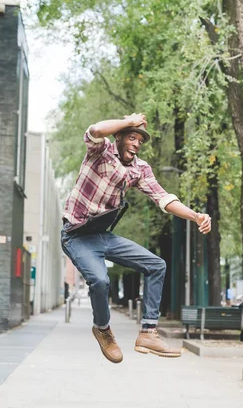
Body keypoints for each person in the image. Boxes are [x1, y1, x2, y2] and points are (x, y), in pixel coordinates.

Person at [61, 114, 211, 363]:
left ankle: (148, 332)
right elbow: (96, 129)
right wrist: (126, 120)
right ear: (118, 136)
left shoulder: (140, 169)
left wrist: (195, 216)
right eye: (132, 137)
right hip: (75, 236)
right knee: (100, 280)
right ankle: (103, 329)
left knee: (156, 265)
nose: (137, 144)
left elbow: (164, 198)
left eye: (140, 141)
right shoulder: (101, 151)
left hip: (102, 236)